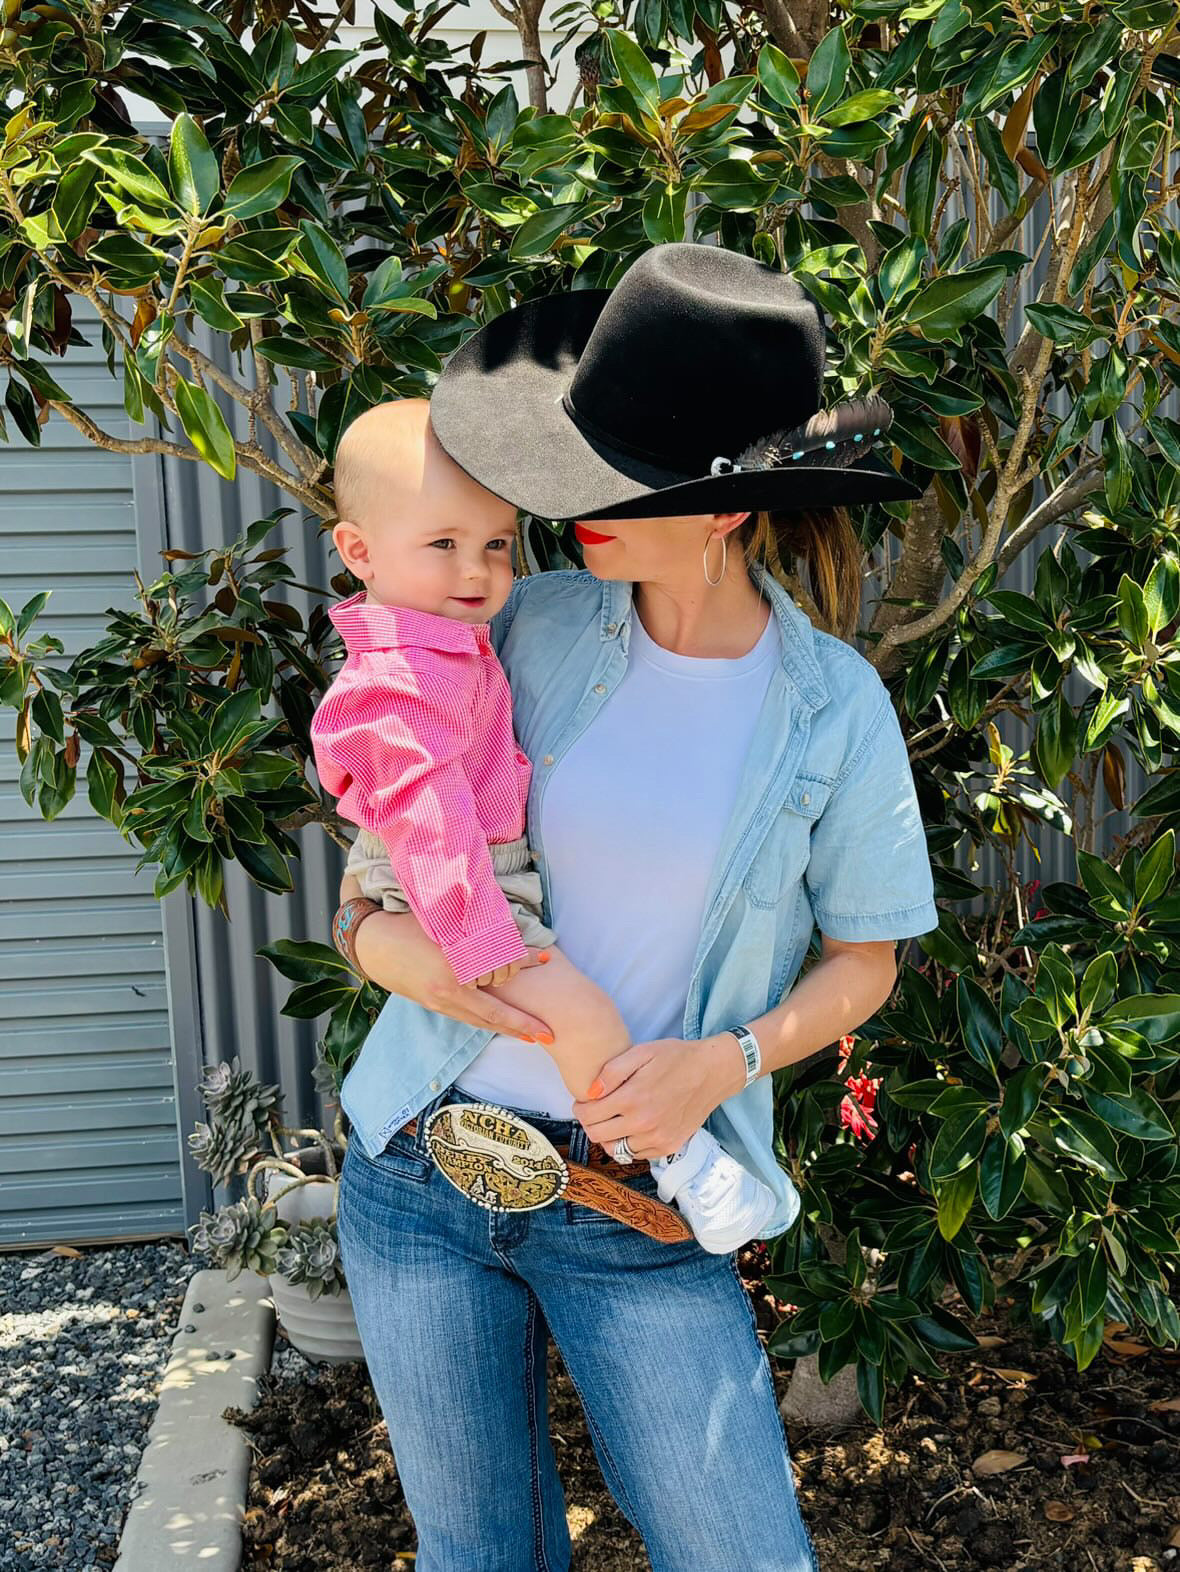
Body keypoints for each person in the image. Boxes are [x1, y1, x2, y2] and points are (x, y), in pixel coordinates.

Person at [330, 242, 939, 1572]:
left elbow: (867, 961)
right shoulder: (521, 624)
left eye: (615, 482)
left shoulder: (833, 708)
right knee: (479, 1560)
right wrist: (413, 964)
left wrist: (721, 1065)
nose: (566, 509)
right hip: (419, 1176)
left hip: (643, 1199)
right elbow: (377, 880)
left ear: (725, 506)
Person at [310, 397, 779, 1252]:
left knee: (575, 1017)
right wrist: (482, 941)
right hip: (462, 891)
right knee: (580, 1017)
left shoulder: (449, 637)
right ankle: (683, 1166)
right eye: (443, 545)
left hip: (475, 877)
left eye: (495, 544)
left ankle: (674, 1163)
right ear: (359, 553)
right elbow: (422, 830)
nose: (479, 570)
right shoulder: (400, 678)